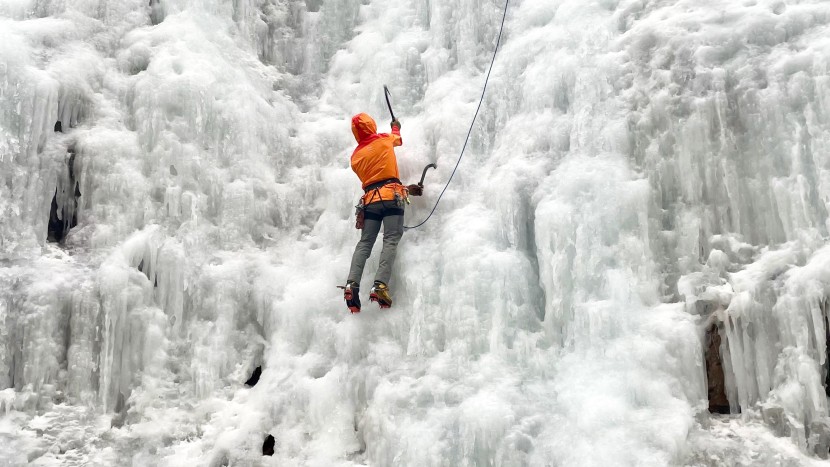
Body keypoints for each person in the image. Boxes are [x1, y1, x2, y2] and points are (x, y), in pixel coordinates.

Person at [343, 113, 422, 313]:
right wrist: (395, 126)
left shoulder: (355, 156)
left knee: (365, 242)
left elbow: (376, 178)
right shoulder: (383, 139)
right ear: (371, 125)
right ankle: (380, 285)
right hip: (391, 196)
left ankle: (352, 284)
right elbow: (398, 138)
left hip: (370, 201)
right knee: (391, 238)